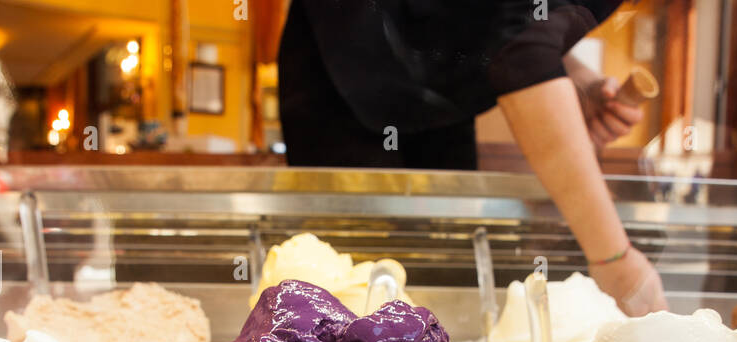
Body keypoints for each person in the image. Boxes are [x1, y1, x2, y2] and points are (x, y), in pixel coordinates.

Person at [278, 0, 666, 315]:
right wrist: (615, 262)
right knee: (344, 306)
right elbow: (521, 51)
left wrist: (575, 78)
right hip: (344, 70)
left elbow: (515, 22)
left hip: (439, 88)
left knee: (447, 281)